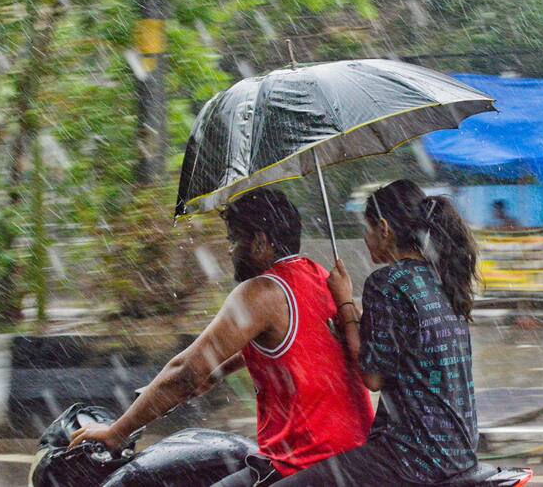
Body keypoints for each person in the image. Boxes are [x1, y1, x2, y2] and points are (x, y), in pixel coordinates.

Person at [69, 189, 374, 486]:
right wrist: (218, 369)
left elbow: (184, 372)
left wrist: (116, 433)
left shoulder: (261, 292)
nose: (230, 250)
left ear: (260, 242)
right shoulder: (321, 276)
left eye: (234, 239)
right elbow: (297, 346)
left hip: (304, 464)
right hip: (352, 455)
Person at [274, 179, 479, 486]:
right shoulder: (441, 278)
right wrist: (358, 323)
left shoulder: (386, 282)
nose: (366, 238)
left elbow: (372, 377)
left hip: (412, 457)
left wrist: (343, 300)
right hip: (458, 451)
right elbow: (407, 348)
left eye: (368, 229)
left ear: (384, 228)